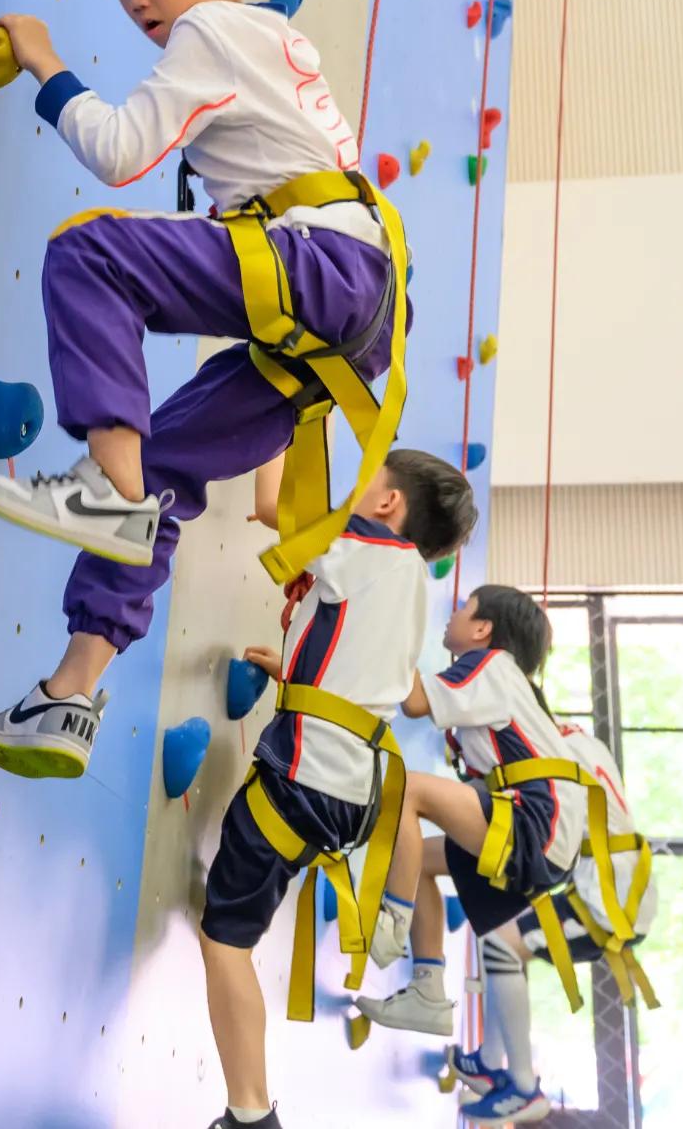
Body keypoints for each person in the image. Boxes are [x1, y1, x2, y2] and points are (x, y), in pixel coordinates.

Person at [0, 0, 413, 779]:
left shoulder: (212, 25)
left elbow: (123, 149)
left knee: (89, 254)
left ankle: (109, 494)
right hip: (350, 319)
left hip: (316, 268)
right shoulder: (251, 29)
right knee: (162, 469)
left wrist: (46, 62)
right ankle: (70, 693)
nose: (131, 0)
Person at [200, 451, 477, 1129]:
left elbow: (272, 503)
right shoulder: (413, 585)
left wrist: (272, 422)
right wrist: (293, 672)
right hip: (348, 790)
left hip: (308, 779)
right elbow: (365, 666)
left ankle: (249, 1113)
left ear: (387, 505)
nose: (352, 488)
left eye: (365, 477)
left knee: (225, 938)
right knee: (236, 926)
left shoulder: (365, 544)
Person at [355, 586, 586, 1127]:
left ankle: (388, 925)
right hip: (542, 833)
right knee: (416, 862)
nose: (453, 614)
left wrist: (385, 615)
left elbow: (413, 700)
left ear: (482, 631)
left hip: (535, 821)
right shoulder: (504, 681)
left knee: (406, 790)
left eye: (463, 610)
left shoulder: (492, 666)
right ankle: (429, 989)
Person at [447, 721, 657, 1123]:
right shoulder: (581, 739)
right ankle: (491, 1061)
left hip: (607, 904)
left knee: (502, 943)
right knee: (501, 934)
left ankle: (525, 1089)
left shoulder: (551, 754)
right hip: (618, 888)